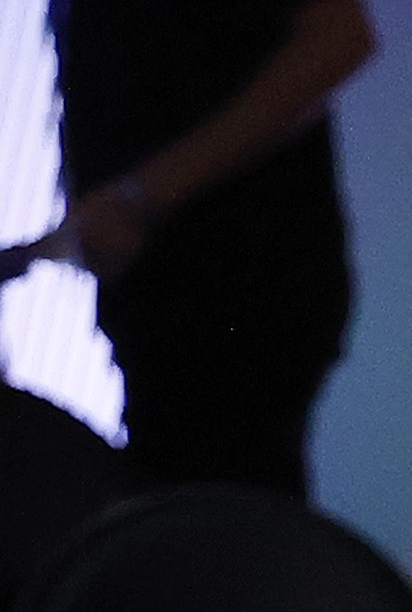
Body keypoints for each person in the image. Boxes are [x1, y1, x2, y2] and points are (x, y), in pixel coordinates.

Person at [58, 0, 383, 498]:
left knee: (218, 514)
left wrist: (140, 197)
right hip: (174, 293)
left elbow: (338, 40)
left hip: (236, 285)